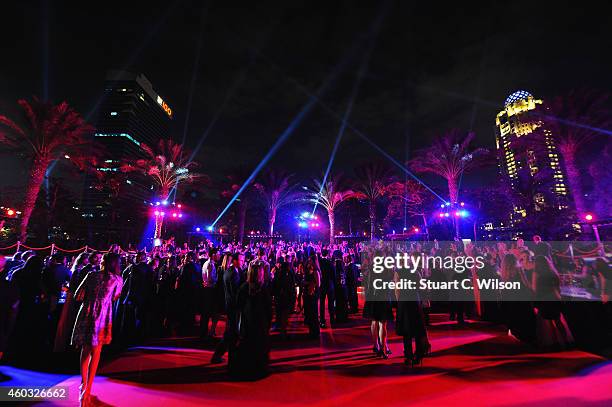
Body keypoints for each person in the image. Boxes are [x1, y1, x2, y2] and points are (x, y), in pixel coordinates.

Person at [71, 253, 123, 404]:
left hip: (87, 311)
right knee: (96, 351)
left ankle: (83, 384)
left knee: (85, 349)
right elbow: (115, 297)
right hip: (103, 315)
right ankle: (88, 388)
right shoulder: (118, 280)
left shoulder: (91, 275)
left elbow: (77, 295)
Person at [229, 261, 273, 380]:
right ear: (260, 274)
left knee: (248, 346)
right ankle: (259, 370)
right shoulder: (262, 289)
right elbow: (269, 308)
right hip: (260, 324)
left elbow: (238, 306)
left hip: (248, 323)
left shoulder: (244, 288)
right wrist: (268, 322)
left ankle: (247, 369)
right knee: (259, 348)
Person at [532, 255, 573, 349]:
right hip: (554, 299)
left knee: (546, 323)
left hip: (544, 299)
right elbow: (557, 288)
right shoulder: (553, 272)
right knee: (557, 321)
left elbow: (535, 289)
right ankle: (565, 341)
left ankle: (554, 343)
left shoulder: (538, 273)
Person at [211, 253, 244, 363]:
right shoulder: (231, 273)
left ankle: (229, 355)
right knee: (231, 332)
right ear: (234, 260)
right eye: (241, 259)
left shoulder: (236, 271)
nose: (243, 261)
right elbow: (235, 292)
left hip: (233, 307)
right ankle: (219, 355)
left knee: (233, 333)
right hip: (233, 307)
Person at [500, 253, 536, 343]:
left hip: (511, 298)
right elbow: (525, 284)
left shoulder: (504, 272)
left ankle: (518, 335)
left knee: (514, 317)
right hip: (521, 297)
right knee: (523, 317)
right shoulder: (519, 270)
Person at [272, 260, 296, 338]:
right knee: (284, 315)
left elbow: (274, 285)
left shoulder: (278, 274)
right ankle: (283, 331)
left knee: (279, 313)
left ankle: (278, 327)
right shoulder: (289, 275)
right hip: (285, 298)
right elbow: (291, 286)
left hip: (278, 298)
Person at [302, 256, 321, 338]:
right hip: (308, 293)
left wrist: (307, 283)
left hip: (312, 293)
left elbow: (318, 284)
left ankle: (315, 332)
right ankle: (311, 331)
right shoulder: (309, 270)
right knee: (310, 313)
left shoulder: (316, 271)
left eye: (310, 261)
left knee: (313, 313)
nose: (308, 262)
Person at [318, 249, 336, 328]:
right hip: (329, 284)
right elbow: (333, 274)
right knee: (331, 303)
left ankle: (322, 321)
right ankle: (332, 319)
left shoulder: (319, 262)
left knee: (321, 303)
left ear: (322, 254)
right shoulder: (330, 263)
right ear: (327, 254)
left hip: (322, 285)